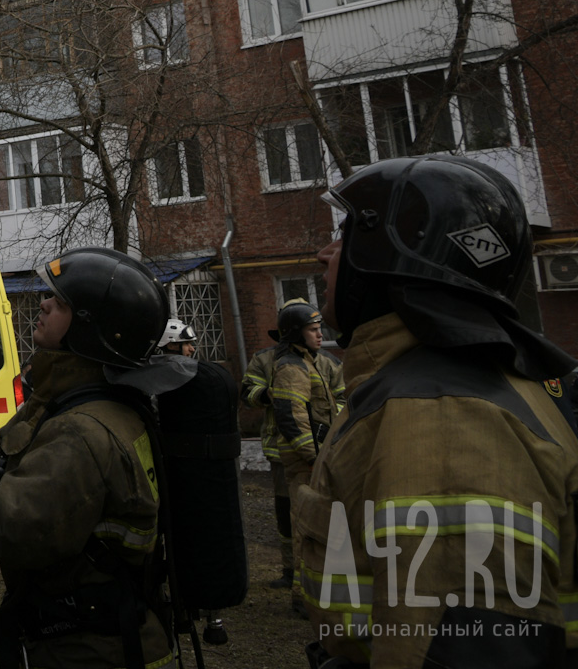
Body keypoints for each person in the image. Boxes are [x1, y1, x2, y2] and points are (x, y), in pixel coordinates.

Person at [298, 154, 578, 667]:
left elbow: (449, 648)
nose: (324, 253)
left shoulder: (443, 419)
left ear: (390, 255)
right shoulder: (449, 385)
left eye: (345, 235)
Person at [0, 248, 174, 669]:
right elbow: (11, 451)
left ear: (90, 329)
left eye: (60, 303)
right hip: (88, 637)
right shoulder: (73, 399)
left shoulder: (82, 430)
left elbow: (12, 527)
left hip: (90, 652)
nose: (43, 303)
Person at [244, 297, 342, 596]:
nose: (320, 334)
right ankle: (293, 573)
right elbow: (248, 392)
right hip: (288, 449)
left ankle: (310, 577)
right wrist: (273, 395)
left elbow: (341, 399)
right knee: (289, 512)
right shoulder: (270, 360)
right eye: (313, 328)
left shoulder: (326, 362)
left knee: (314, 513)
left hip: (318, 449)